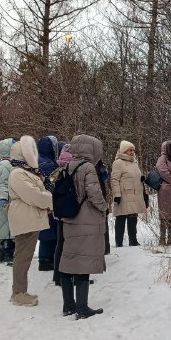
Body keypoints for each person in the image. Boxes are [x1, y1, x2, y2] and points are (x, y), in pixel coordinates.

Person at [59, 134, 107, 319]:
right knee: (84, 263)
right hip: (86, 220)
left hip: (70, 218)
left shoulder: (67, 165)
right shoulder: (88, 167)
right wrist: (104, 207)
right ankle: (82, 308)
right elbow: (94, 193)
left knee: (70, 260)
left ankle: (68, 305)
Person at [7, 136, 52, 306]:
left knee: (24, 256)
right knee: (23, 257)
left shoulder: (26, 172)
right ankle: (18, 293)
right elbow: (35, 196)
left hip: (29, 218)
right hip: (25, 219)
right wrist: (50, 198)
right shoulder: (18, 174)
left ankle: (20, 291)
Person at [111, 140, 146, 247]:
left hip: (134, 194)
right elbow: (114, 179)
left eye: (133, 150)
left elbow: (134, 176)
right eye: (130, 150)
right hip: (123, 194)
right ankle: (119, 242)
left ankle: (133, 240)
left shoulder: (133, 162)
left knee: (133, 217)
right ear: (124, 150)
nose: (132, 152)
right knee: (121, 218)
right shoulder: (118, 163)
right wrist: (117, 195)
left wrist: (141, 178)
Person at [37, 135, 60, 271]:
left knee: (46, 230)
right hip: (49, 201)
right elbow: (52, 183)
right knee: (49, 230)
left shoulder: (38, 160)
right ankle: (45, 260)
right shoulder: (48, 164)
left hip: (42, 201)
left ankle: (46, 259)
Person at [0, 138, 16, 264]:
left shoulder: (7, 163)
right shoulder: (5, 164)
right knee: (6, 227)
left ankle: (6, 254)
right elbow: (3, 183)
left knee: (7, 225)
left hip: (6, 196)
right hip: (5, 197)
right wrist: (3, 198)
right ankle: (7, 255)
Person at [53, 143, 72, 287]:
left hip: (58, 211)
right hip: (69, 211)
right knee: (69, 244)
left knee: (60, 243)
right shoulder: (71, 167)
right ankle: (68, 276)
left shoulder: (57, 168)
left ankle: (58, 275)